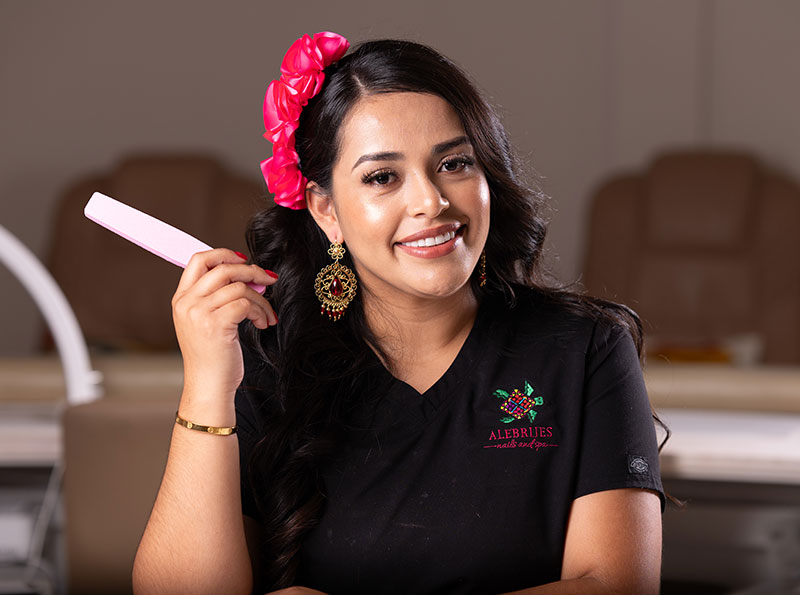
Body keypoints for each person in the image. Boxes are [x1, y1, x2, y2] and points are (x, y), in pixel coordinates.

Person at [132, 32, 665, 595]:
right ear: (325, 210)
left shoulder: (585, 348)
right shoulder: (263, 355)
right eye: (382, 177)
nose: (431, 202)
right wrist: (207, 385)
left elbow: (617, 585)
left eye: (455, 163)